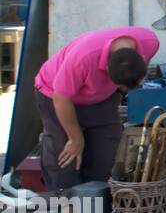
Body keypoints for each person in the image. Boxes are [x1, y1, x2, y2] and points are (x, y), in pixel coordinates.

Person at [34, 27, 159, 190]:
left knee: (105, 153)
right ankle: (66, 207)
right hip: (56, 96)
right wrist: (75, 138)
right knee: (66, 156)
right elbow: (61, 97)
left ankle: (96, 206)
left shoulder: (149, 42)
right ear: (106, 68)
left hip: (102, 97)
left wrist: (120, 91)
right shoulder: (83, 58)